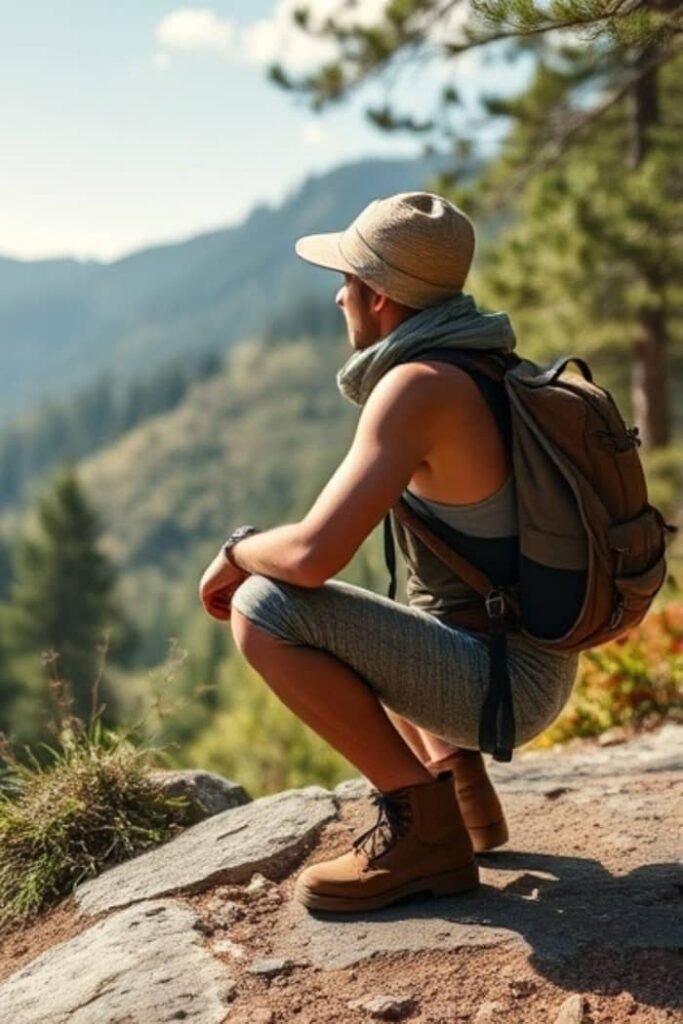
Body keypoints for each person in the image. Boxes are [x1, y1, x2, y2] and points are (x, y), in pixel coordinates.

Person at [198, 191, 579, 914]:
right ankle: (466, 805)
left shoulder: (415, 387)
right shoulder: (482, 363)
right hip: (524, 658)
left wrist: (239, 549)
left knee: (265, 606)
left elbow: (311, 557)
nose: (337, 297)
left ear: (374, 296)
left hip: (502, 683)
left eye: (344, 282)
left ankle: (422, 835)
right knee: (385, 607)